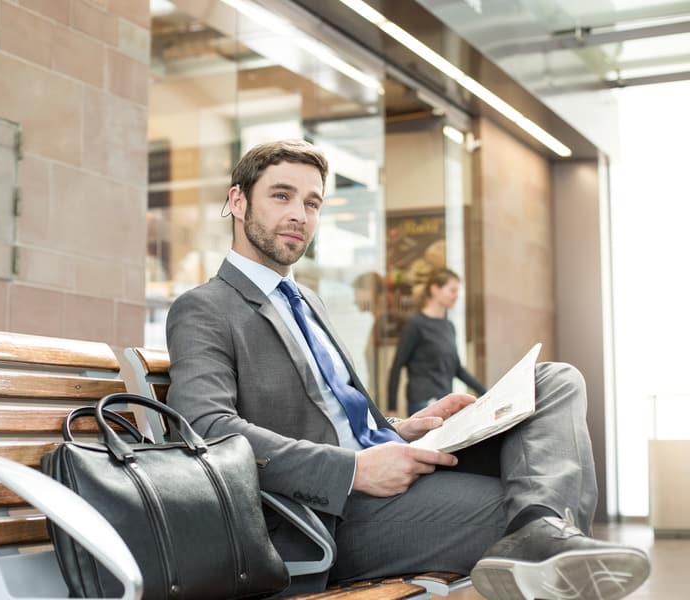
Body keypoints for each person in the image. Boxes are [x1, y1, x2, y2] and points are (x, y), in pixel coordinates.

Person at [165, 139, 650, 599]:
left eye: (312, 203)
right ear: (239, 201)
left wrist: (403, 428)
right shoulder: (206, 308)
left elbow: (338, 417)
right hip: (328, 513)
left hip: (394, 465)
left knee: (555, 381)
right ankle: (541, 532)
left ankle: (540, 530)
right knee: (534, 511)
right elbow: (207, 431)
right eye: (281, 195)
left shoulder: (307, 300)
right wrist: (352, 471)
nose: (298, 214)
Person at [387, 268, 486, 417]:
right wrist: (392, 408)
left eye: (457, 291)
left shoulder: (448, 326)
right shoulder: (415, 325)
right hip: (422, 405)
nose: (456, 296)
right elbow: (396, 366)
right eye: (452, 291)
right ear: (435, 290)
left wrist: (486, 392)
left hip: (445, 402)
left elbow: (457, 369)